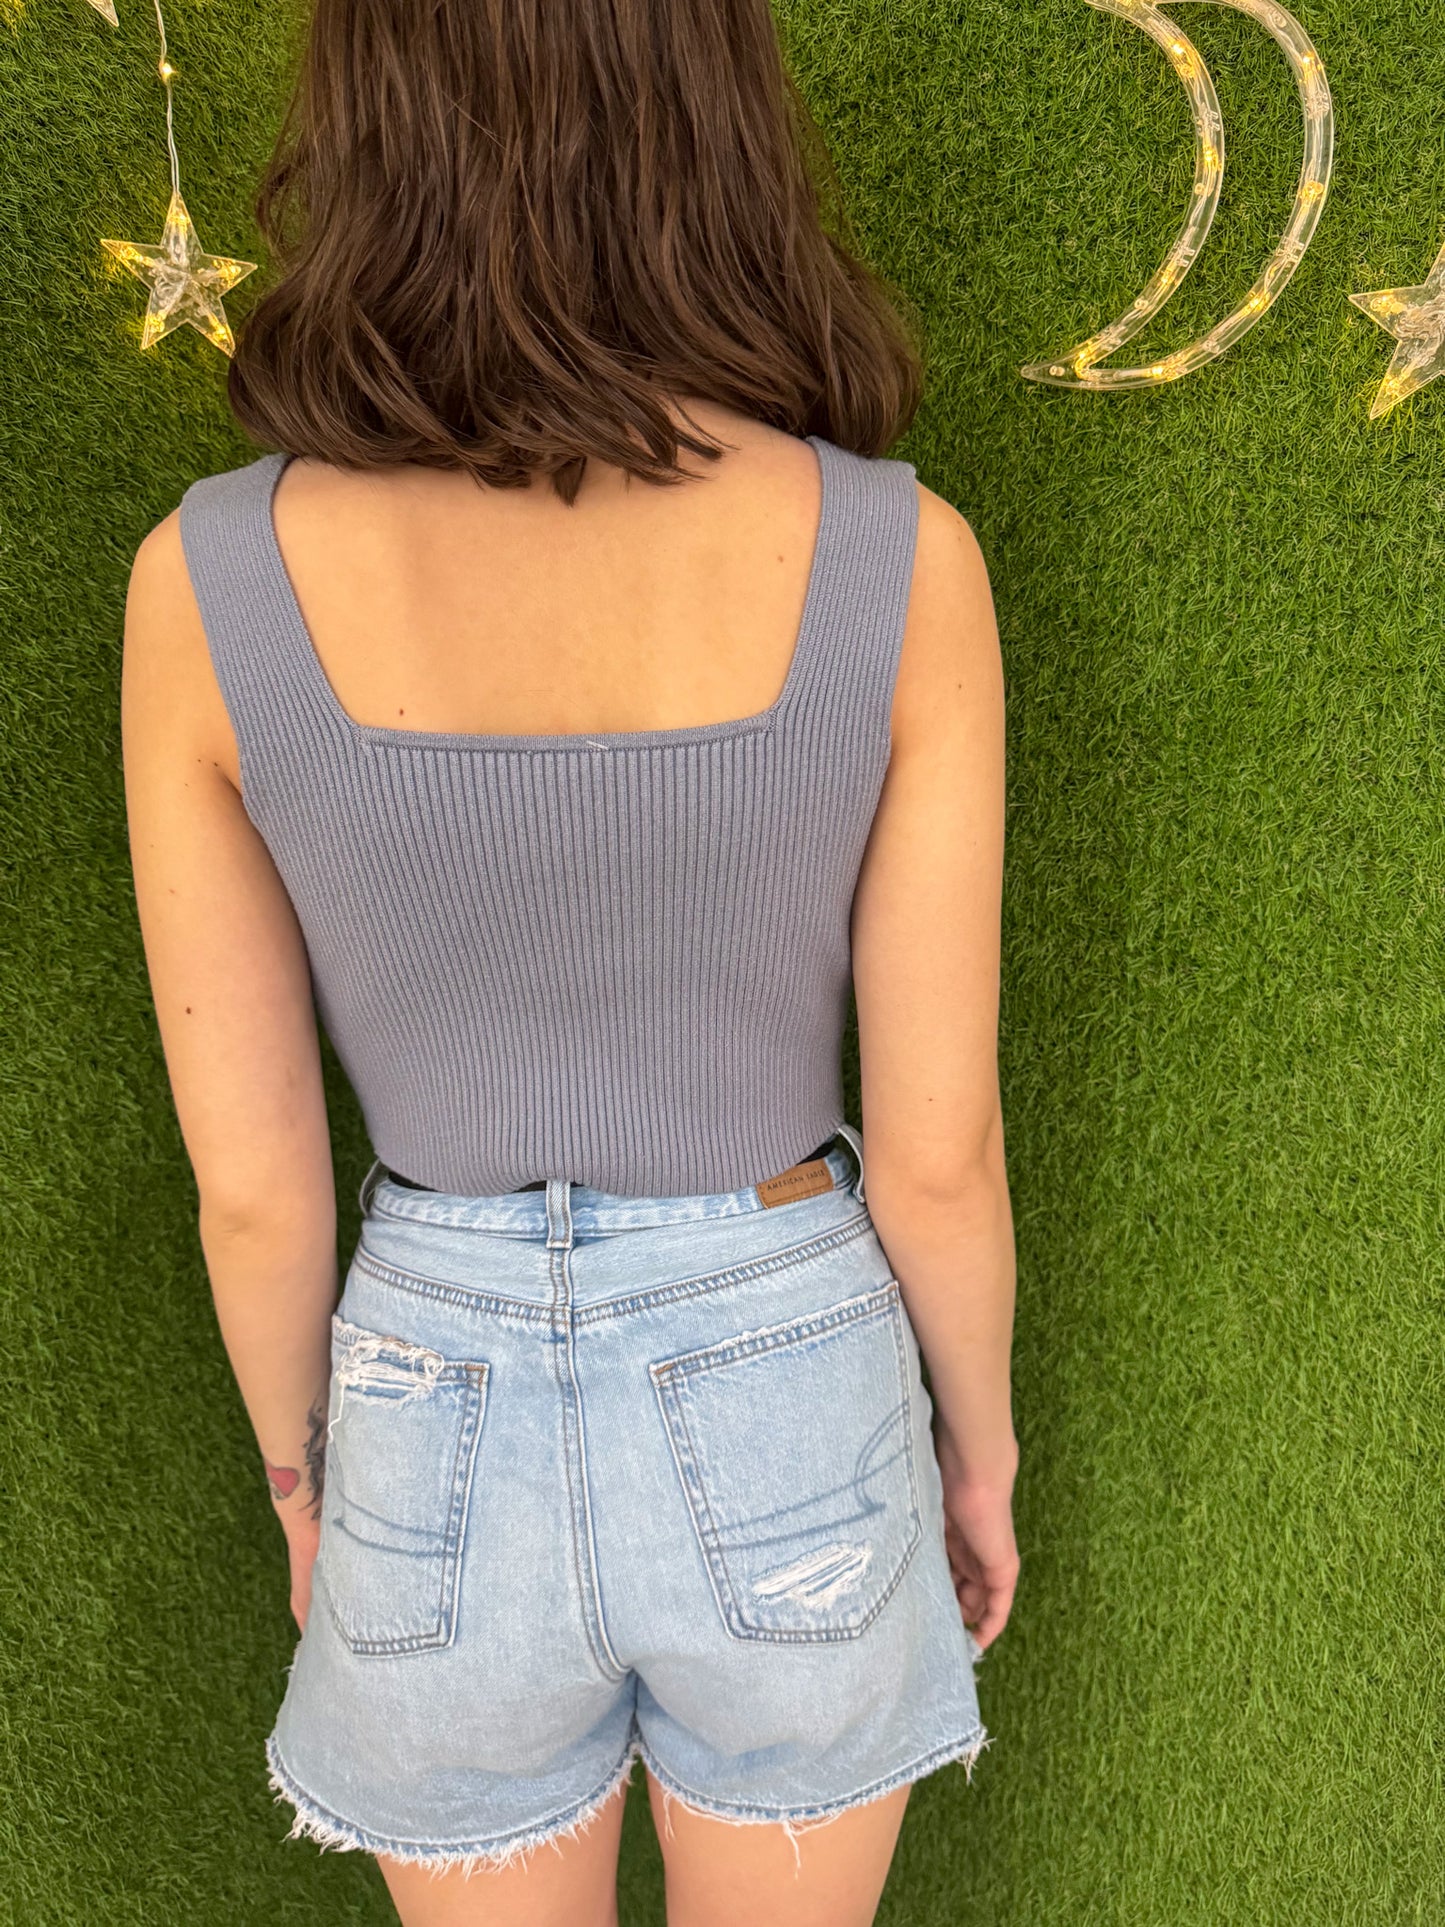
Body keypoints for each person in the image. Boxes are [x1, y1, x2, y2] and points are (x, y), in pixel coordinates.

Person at [120, 0, 1019, 1919]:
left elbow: (256, 1190)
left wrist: (309, 1492)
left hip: (424, 1373)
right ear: (717, 117)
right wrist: (979, 1454)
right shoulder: (895, 556)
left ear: (362, 125)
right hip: (790, 1342)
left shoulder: (206, 581)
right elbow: (936, 1156)